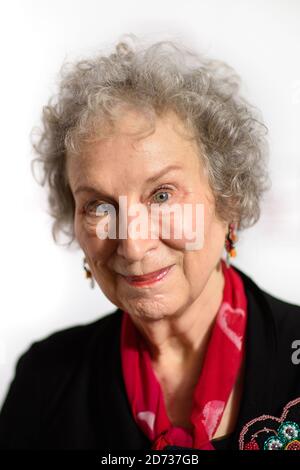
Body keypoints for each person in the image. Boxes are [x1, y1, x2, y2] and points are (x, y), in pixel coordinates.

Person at [1, 34, 300, 451]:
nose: (133, 246)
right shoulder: (46, 381)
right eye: (100, 206)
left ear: (227, 200)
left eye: (162, 195)